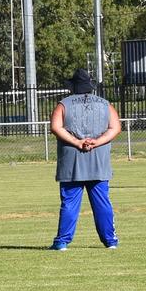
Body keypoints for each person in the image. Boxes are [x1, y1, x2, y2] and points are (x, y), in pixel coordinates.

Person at [47, 68, 121, 251]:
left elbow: (56, 127)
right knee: (102, 201)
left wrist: (77, 142)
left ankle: (62, 241)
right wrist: (96, 142)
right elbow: (115, 127)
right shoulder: (105, 104)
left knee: (70, 203)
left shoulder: (63, 104)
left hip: (72, 163)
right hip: (99, 161)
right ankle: (110, 241)